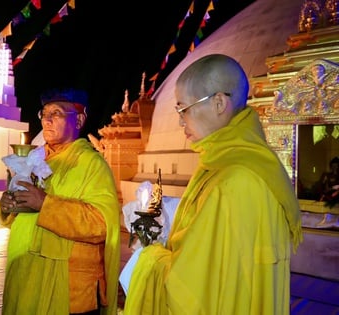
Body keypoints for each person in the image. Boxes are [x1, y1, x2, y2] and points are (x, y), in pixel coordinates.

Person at [122, 54, 303, 314]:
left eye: (184, 108)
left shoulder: (232, 179)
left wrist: (150, 252)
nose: (181, 120)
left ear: (219, 103)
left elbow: (188, 291)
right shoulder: (254, 165)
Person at [0, 88, 121, 315]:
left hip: (69, 290)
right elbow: (23, 213)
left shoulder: (92, 164)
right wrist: (8, 206)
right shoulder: (34, 159)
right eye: (44, 113)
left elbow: (101, 224)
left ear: (80, 119)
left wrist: (45, 204)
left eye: (56, 113)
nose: (47, 119)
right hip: (25, 275)